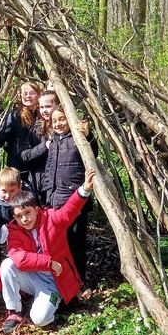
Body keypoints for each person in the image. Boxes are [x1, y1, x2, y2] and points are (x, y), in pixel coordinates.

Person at [0, 169, 96, 332]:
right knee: (7, 265)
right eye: (19, 216)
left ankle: (54, 299)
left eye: (27, 213)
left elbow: (70, 210)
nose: (25, 219)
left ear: (36, 210)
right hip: (32, 275)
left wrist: (84, 190)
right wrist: (49, 263)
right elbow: (19, 258)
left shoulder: (52, 219)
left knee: (40, 319)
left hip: (54, 279)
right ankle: (14, 311)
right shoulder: (14, 230)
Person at [41, 106, 98, 282]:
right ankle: (63, 280)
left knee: (76, 243)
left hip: (75, 199)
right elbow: (50, 169)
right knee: (59, 244)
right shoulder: (54, 142)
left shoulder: (78, 138)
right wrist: (47, 196)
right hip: (55, 201)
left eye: (62, 119)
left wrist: (88, 135)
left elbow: (93, 152)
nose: (58, 123)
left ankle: (78, 279)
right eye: (54, 121)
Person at [0, 81, 41, 179]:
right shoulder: (15, 115)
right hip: (18, 166)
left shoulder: (43, 114)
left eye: (32, 93)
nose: (28, 96)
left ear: (39, 95)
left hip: (38, 166)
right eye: (25, 93)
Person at [20, 89, 59, 195]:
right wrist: (43, 147)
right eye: (42, 107)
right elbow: (24, 155)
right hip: (41, 185)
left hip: (62, 185)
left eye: (48, 106)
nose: (44, 110)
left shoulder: (67, 128)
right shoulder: (36, 129)